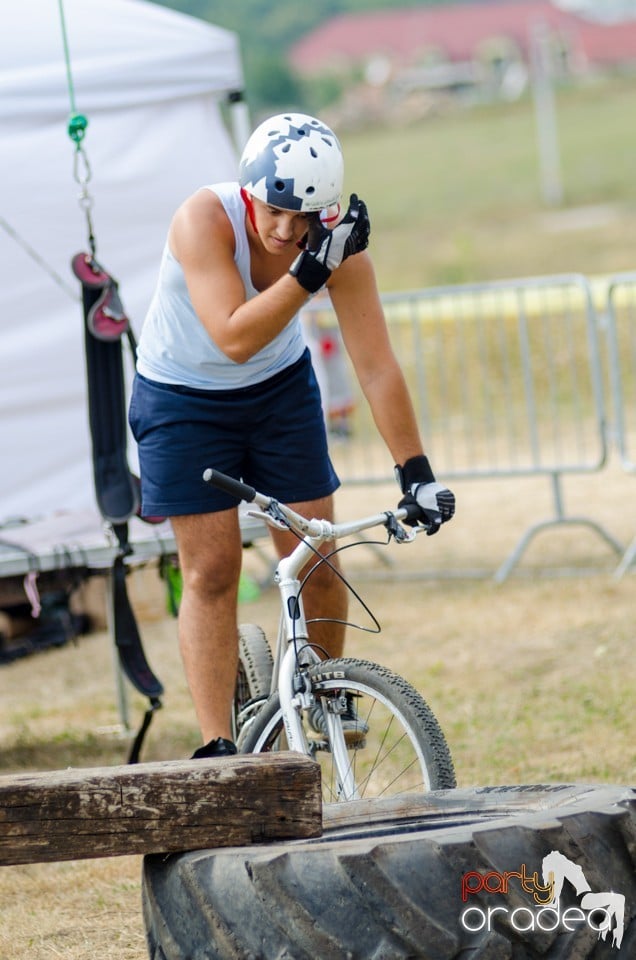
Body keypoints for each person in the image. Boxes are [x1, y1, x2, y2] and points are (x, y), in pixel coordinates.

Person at [129, 112, 455, 759]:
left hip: (277, 392)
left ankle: (320, 695)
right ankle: (218, 746)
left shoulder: (336, 247)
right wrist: (310, 270)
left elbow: (376, 363)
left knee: (315, 555)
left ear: (325, 211)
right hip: (183, 396)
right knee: (214, 571)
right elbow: (233, 334)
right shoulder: (204, 220)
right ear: (249, 190)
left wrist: (415, 471)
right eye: (272, 209)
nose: (283, 229)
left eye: (301, 217)